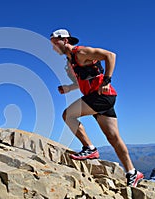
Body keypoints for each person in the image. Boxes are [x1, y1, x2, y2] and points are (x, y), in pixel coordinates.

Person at [50, 28, 144, 187]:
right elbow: (85, 78)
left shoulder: (80, 52)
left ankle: (90, 148)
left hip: (101, 96)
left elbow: (110, 55)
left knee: (68, 115)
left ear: (64, 40)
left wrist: (107, 82)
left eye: (54, 42)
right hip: (100, 98)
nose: (53, 47)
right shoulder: (71, 60)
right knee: (113, 137)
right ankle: (133, 173)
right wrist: (68, 88)